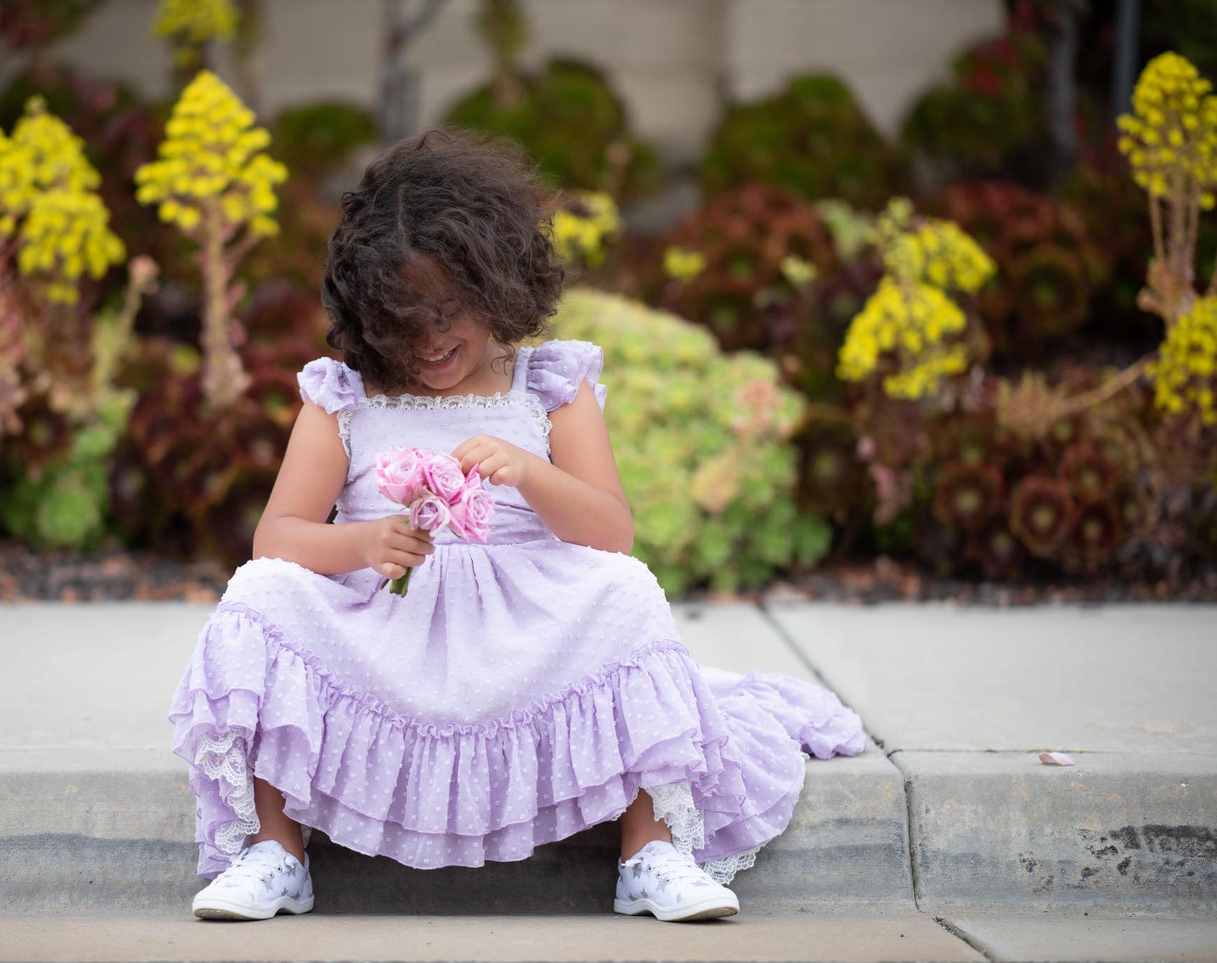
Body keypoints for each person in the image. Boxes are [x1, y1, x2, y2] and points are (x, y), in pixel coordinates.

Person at [169, 128, 865, 924]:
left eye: (447, 313)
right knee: (259, 594)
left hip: (526, 630)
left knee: (624, 591)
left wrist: (530, 472)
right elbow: (278, 535)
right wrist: (361, 542)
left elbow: (610, 531)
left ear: (498, 287)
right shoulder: (346, 397)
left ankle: (652, 849)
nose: (428, 342)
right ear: (365, 314)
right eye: (401, 320)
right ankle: (273, 851)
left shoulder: (547, 385)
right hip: (384, 629)